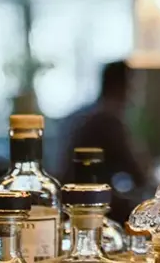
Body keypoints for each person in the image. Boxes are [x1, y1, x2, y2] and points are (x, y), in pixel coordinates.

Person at [61, 61, 150, 215]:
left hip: (75, 199)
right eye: (133, 84)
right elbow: (139, 174)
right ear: (122, 85)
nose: (134, 91)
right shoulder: (108, 120)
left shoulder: (88, 113)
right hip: (90, 204)